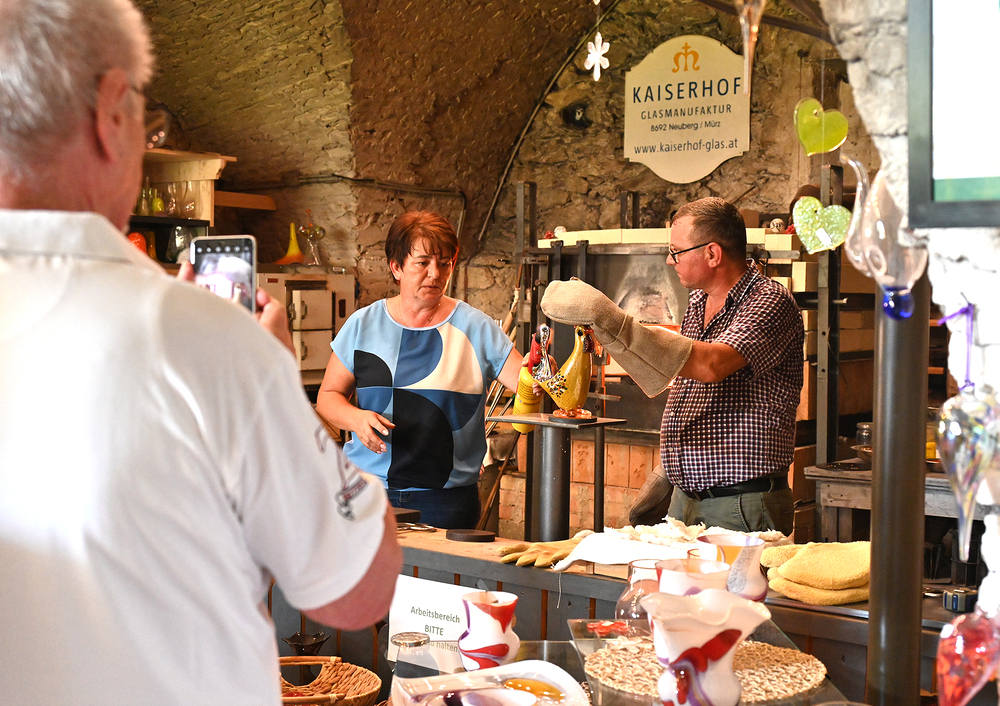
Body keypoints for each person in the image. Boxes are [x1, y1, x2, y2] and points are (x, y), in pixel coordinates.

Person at [0, 1, 402, 704]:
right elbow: (356, 590)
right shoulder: (202, 341)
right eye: (145, 117)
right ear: (110, 110)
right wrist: (271, 378)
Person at [542, 197, 804, 535]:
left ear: (713, 254)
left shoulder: (769, 300)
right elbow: (680, 373)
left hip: (739, 503)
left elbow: (711, 365)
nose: (669, 260)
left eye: (676, 251)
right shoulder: (699, 299)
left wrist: (611, 317)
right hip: (686, 498)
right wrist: (670, 470)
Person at [316, 211, 526, 529]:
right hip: (366, 491)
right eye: (423, 262)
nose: (435, 273)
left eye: (444, 263)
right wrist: (356, 418)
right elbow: (328, 397)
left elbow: (527, 382)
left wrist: (542, 370)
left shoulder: (475, 327)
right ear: (396, 267)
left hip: (446, 500)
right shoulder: (363, 324)